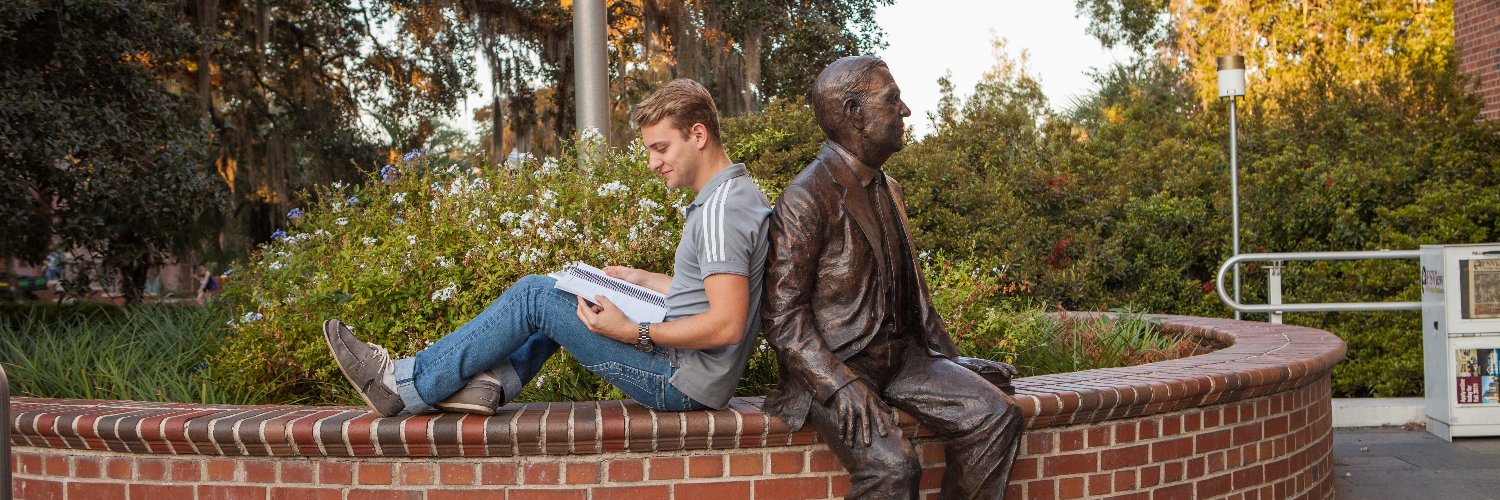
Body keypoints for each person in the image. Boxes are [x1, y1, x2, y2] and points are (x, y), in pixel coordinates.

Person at [323, 79, 772, 417]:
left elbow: (727, 323)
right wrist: (638, 280)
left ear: (697, 134)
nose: (653, 163)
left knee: (537, 295)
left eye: (660, 148)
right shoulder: (736, 197)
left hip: (680, 381)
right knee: (570, 292)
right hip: (689, 371)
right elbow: (715, 290)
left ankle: (401, 384)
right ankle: (488, 386)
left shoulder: (720, 211)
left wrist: (632, 332)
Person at [761, 56, 1023, 499]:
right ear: (854, 112)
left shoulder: (889, 186)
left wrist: (953, 363)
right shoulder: (807, 196)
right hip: (838, 365)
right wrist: (838, 383)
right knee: (894, 466)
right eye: (892, 99)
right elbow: (783, 318)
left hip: (903, 360)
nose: (905, 111)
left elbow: (915, 299)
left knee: (996, 415)